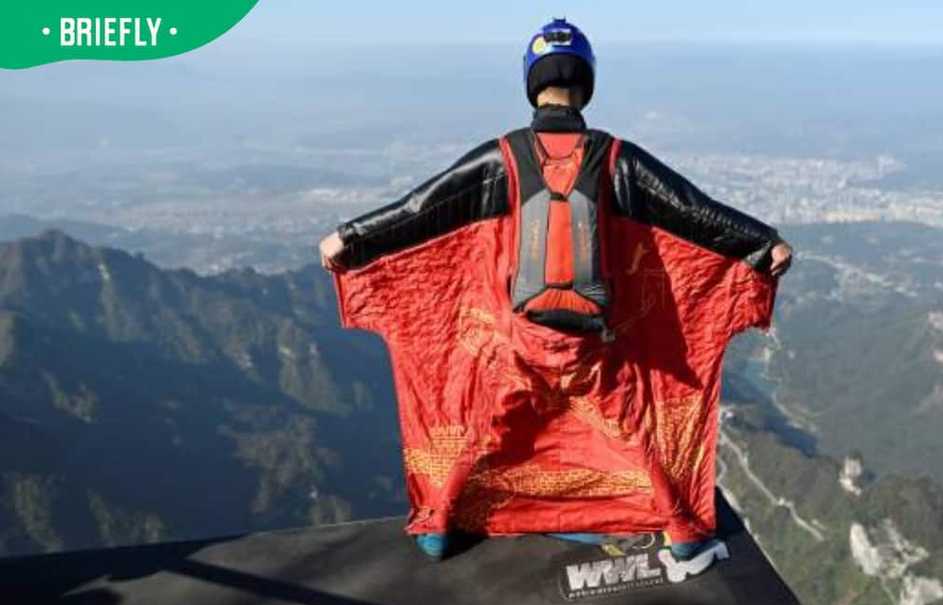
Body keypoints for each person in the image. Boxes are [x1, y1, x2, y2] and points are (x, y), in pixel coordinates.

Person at [319, 18, 792, 561]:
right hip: (592, 340)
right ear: (586, 81)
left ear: (531, 81)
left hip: (519, 337)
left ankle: (437, 527)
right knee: (635, 430)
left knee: (484, 428)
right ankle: (683, 533)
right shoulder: (616, 158)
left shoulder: (504, 156)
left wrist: (349, 240)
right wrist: (764, 246)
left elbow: (419, 211)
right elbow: (695, 212)